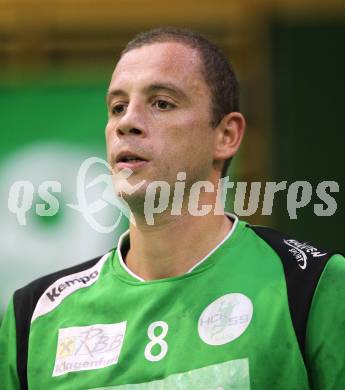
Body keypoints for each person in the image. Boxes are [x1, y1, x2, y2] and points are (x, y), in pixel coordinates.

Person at [0, 27, 344, 390]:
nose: (126, 123)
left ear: (226, 135)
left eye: (162, 103)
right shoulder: (34, 317)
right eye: (117, 107)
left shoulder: (313, 286)